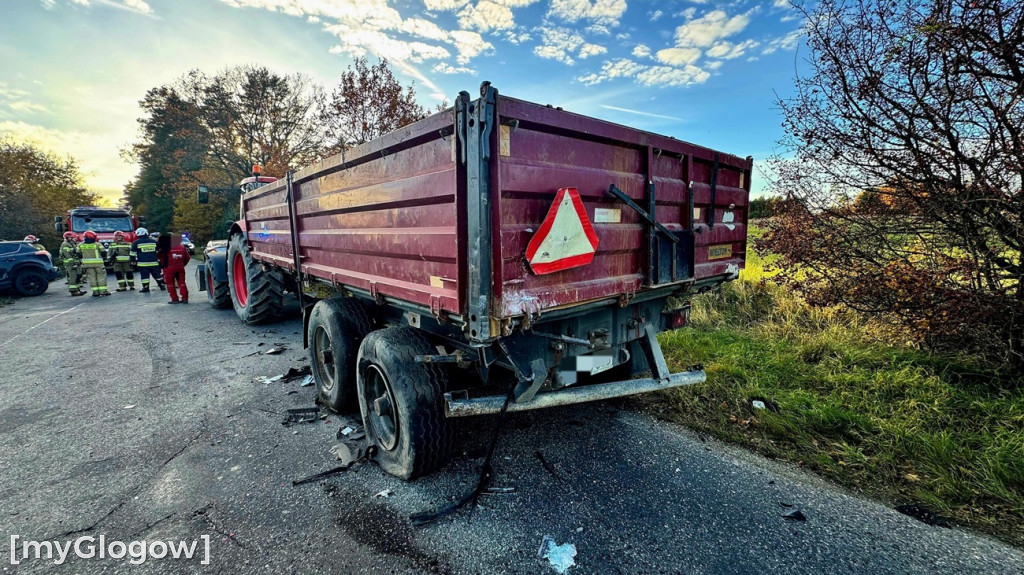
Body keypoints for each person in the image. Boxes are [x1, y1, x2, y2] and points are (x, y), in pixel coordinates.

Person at [158, 233, 190, 304]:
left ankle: (174, 299)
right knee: (182, 283)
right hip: (180, 268)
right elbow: (187, 257)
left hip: (168, 269)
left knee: (170, 284)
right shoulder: (181, 247)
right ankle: (185, 298)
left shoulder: (165, 248)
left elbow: (160, 257)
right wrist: (182, 265)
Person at [130, 227, 164, 293]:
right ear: (146, 233)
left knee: (144, 276)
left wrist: (132, 261)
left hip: (142, 264)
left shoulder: (136, 243)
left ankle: (146, 288)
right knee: (157, 275)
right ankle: (162, 286)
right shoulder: (153, 241)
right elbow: (159, 251)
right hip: (154, 262)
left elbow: (132, 253)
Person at [79, 231, 110, 297]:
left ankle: (95, 292)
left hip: (87, 265)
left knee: (91, 278)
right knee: (101, 277)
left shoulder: (80, 245)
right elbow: (104, 253)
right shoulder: (98, 244)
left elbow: (78, 254)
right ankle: (103, 291)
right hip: (98, 264)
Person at [58, 231, 86, 296]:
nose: (75, 239)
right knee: (73, 277)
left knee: (78, 276)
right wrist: (73, 264)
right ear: (69, 238)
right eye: (74, 238)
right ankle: (73, 291)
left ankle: (77, 289)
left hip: (76, 263)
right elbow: (67, 255)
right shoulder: (65, 244)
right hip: (71, 264)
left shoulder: (72, 244)